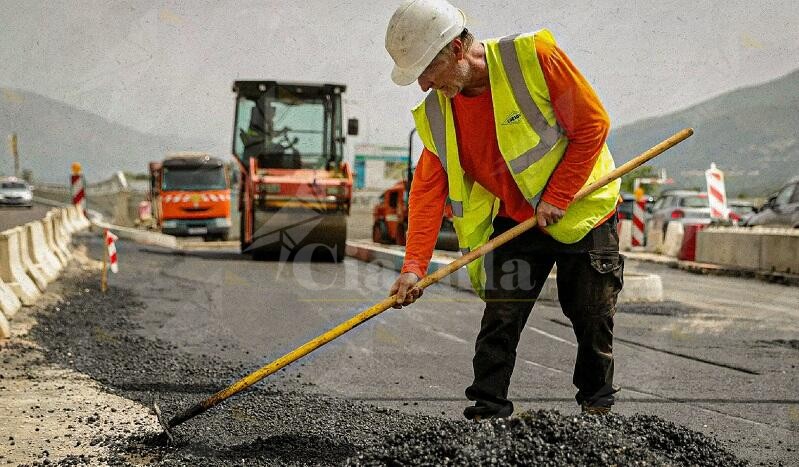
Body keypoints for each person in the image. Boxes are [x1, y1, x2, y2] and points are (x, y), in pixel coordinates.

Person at [384, 0, 624, 419]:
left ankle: (596, 409)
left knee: (590, 314)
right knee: (501, 313)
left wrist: (559, 195)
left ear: (456, 49)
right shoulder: (439, 113)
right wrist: (413, 267)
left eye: (426, 71)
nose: (423, 85)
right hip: (519, 220)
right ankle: (487, 410)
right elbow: (426, 193)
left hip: (584, 211)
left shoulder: (533, 58)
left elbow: (592, 125)